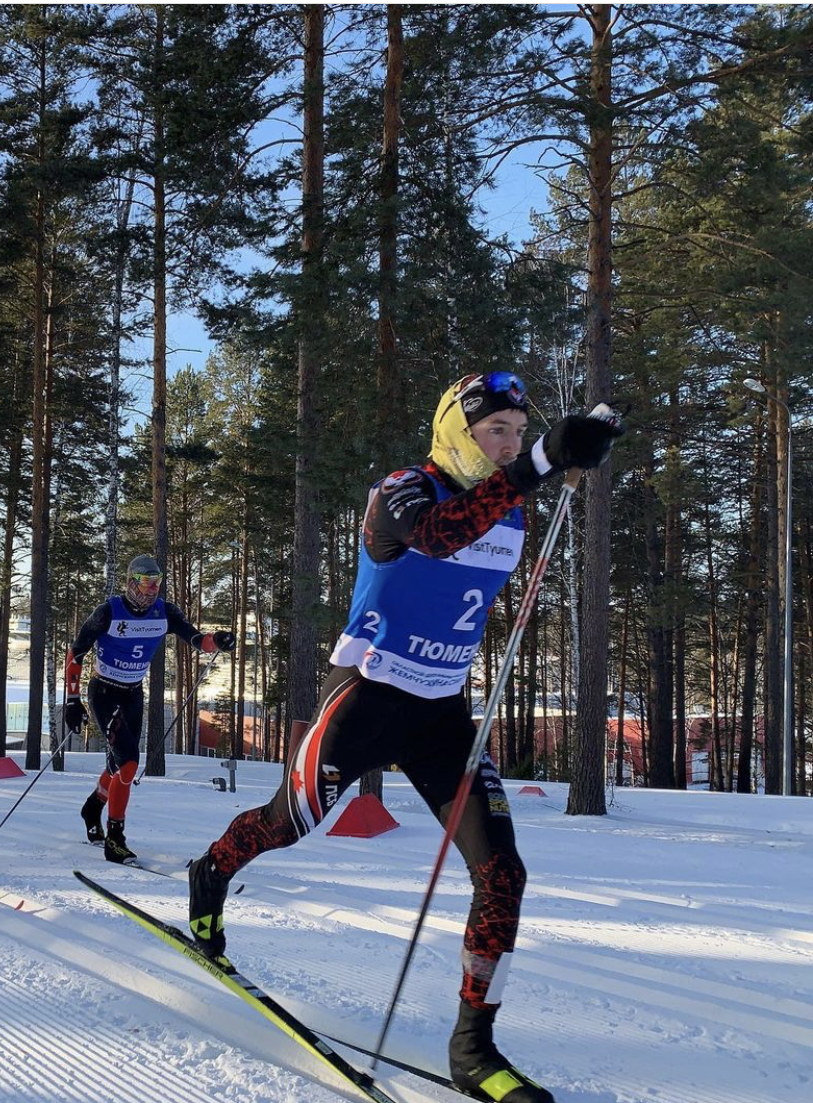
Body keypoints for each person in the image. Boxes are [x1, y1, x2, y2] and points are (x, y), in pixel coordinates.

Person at [187, 374, 623, 1103]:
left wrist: (568, 453)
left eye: (519, 430)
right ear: (455, 429)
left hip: (441, 712)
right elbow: (436, 534)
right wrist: (541, 461)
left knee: (503, 873)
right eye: (496, 431)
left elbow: (495, 513)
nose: (509, 444)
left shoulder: (510, 507)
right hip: (366, 695)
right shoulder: (401, 488)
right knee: (283, 823)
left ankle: (473, 1050)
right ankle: (210, 872)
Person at [65, 554, 236, 863]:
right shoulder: (108, 612)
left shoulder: (164, 612)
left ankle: (93, 806)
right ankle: (115, 839)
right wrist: (72, 700)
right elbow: (76, 652)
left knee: (118, 767)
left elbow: (196, 638)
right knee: (130, 762)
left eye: (157, 583)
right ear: (131, 583)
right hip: (104, 693)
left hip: (132, 694)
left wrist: (218, 640)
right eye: (146, 583)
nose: (152, 589)